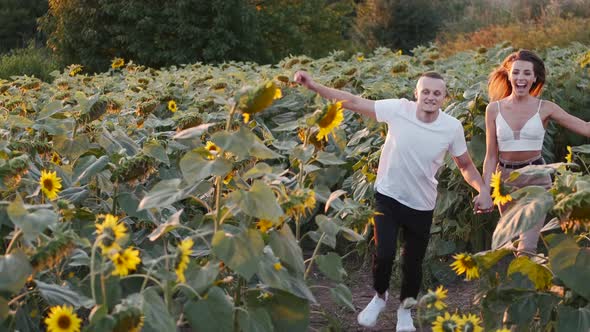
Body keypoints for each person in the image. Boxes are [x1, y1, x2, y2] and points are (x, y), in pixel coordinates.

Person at [294, 71, 493, 331]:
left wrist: (483, 189)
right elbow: (353, 101)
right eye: (426, 92)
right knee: (385, 253)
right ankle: (379, 296)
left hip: (421, 204)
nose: (430, 97)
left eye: (437, 93)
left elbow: (465, 165)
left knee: (413, 264)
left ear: (445, 97)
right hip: (388, 196)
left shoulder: (451, 127)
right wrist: (313, 85)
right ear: (416, 94)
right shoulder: (398, 110)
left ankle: (405, 311)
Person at [482, 49, 590, 255]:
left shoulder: (545, 108)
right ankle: (520, 286)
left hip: (537, 179)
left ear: (534, 78)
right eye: (516, 73)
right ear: (509, 74)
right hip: (504, 182)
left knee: (527, 247)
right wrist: (485, 190)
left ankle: (527, 282)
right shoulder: (493, 109)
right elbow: (491, 156)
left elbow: (585, 128)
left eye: (526, 73)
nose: (520, 78)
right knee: (511, 243)